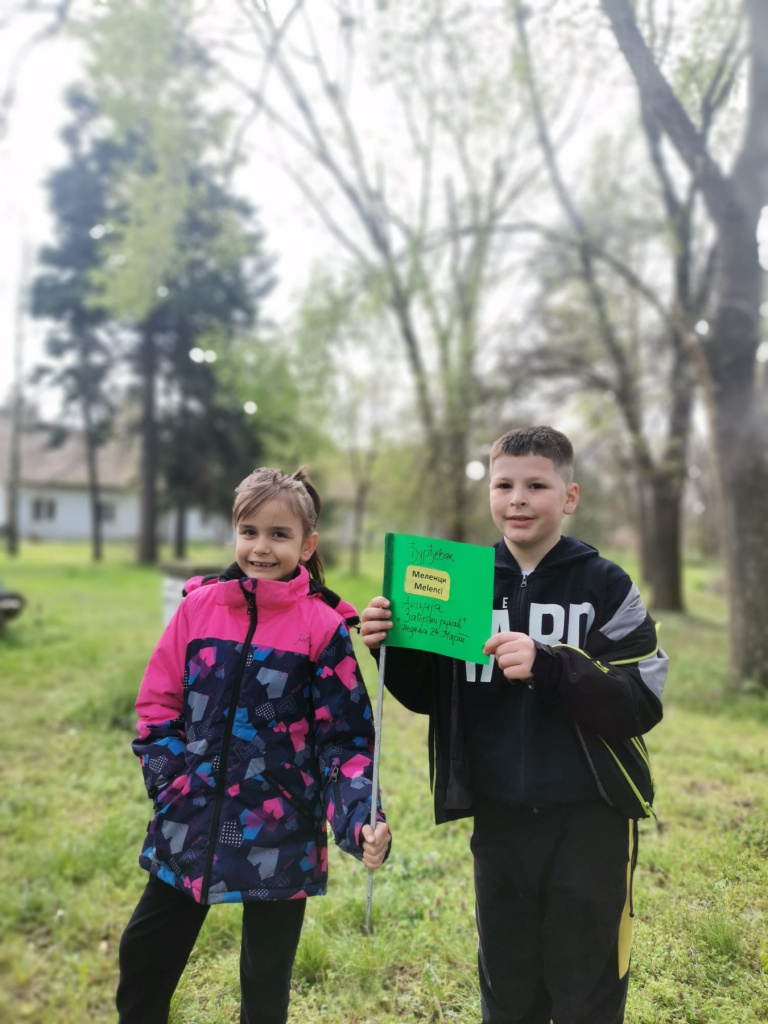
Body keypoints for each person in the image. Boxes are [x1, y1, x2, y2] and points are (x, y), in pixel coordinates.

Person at [361, 426, 666, 1024]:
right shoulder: (461, 582)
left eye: (536, 486)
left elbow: (642, 699)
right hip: (498, 818)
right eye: (503, 485)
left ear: (569, 496)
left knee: (586, 985)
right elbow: (432, 697)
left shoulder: (606, 585)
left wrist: (552, 666)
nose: (518, 499)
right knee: (508, 983)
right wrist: (389, 645)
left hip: (591, 820)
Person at [117, 467, 391, 1024]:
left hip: (280, 830)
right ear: (234, 532)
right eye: (249, 531)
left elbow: (345, 742)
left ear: (306, 545)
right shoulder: (197, 609)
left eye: (279, 534)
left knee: (266, 986)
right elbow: (158, 705)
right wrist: (171, 783)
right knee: (143, 958)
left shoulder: (323, 628)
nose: (261, 547)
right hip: (190, 819)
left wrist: (362, 817)